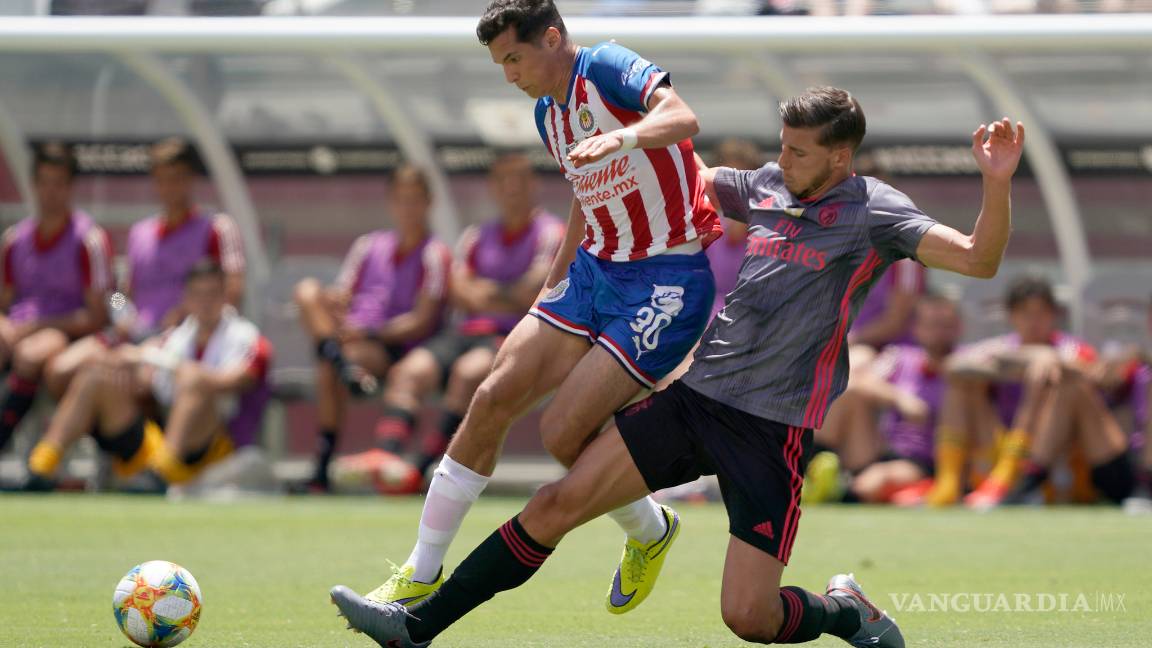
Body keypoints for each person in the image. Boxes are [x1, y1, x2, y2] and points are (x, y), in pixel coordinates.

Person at [329, 86, 1025, 647]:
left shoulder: (876, 213)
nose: (783, 160)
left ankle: (845, 612)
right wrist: (609, 137)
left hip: (770, 433)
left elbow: (978, 259)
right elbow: (678, 172)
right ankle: (417, 627)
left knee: (750, 618)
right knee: (555, 501)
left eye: (800, 151)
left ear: (841, 160)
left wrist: (996, 183)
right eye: (781, 146)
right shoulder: (767, 184)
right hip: (698, 399)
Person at [353, 0, 720, 615]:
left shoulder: (604, 66)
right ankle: (419, 572)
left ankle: (651, 532)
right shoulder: (548, 111)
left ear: (552, 38)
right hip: (592, 272)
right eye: (501, 64)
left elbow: (682, 117)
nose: (510, 75)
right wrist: (552, 286)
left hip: (665, 281)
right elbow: (587, 194)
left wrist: (619, 136)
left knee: (562, 434)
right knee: (493, 397)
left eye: (515, 58)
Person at [333, 152, 563, 488]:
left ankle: (424, 469)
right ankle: (387, 457)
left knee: (467, 374)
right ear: (493, 188)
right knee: (409, 372)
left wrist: (487, 292)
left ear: (533, 184)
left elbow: (533, 291)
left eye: (519, 180)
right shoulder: (475, 236)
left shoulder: (551, 233)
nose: (511, 188)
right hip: (463, 331)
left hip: (514, 336)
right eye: (502, 181)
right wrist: (504, 294)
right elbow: (456, 290)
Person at [18, 261, 271, 492]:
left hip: (206, 434)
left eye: (212, 294)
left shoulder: (241, 335)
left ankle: (159, 472)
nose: (205, 301)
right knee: (88, 370)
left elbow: (234, 378)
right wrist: (125, 333)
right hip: (135, 340)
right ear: (187, 297)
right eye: (198, 294)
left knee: (193, 378)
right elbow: (115, 297)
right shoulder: (139, 244)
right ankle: (40, 467)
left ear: (224, 295)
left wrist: (161, 363)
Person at [43, 137, 246, 399]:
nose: (169, 187)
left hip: (183, 339)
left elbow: (233, 291)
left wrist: (187, 314)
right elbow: (119, 294)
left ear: (190, 180)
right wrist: (121, 313)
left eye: (177, 178)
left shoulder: (217, 228)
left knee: (132, 379)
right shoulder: (140, 233)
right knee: (61, 371)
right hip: (134, 335)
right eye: (162, 179)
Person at [294, 164, 451, 493]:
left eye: (414, 200)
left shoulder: (435, 253)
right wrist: (335, 303)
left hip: (392, 346)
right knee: (307, 291)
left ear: (428, 203)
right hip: (354, 337)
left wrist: (367, 333)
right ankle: (343, 365)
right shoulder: (368, 245)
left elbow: (422, 320)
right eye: (401, 200)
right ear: (390, 203)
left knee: (330, 367)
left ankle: (322, 467)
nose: (407, 208)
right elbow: (345, 294)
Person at [920, 276, 1134, 509]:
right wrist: (1024, 361)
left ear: (1054, 316)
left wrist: (1048, 361)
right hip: (1001, 447)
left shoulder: (1070, 348)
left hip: (1060, 456)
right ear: (1011, 316)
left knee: (1061, 383)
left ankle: (1023, 479)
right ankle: (948, 484)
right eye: (1025, 313)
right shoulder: (1001, 347)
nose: (1034, 322)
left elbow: (1097, 374)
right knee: (962, 385)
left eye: (1041, 314)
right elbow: (953, 366)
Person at [0, 142, 113, 453]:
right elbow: (4, 303)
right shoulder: (14, 240)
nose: (51, 192)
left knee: (32, 353)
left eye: (59, 184)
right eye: (44, 183)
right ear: (34, 185)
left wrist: (33, 327)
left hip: (67, 334)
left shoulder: (89, 239)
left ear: (71, 187)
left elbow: (103, 310)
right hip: (18, 332)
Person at [812, 294, 960, 504]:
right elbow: (862, 380)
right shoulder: (901, 357)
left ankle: (837, 488)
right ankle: (807, 468)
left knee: (874, 483)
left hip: (924, 459)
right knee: (848, 391)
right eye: (932, 325)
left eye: (946, 325)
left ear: (958, 328)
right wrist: (900, 399)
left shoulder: (965, 364)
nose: (939, 333)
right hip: (883, 447)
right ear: (917, 328)